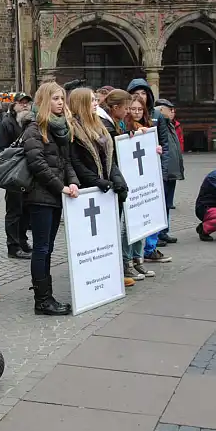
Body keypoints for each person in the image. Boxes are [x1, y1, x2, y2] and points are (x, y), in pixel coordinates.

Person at [23, 82, 79, 315]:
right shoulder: (34, 129)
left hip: (54, 198)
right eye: (55, 98)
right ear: (45, 100)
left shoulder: (59, 129)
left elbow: (65, 162)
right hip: (40, 198)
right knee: (42, 249)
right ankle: (42, 300)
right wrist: (61, 187)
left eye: (62, 99)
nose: (60, 103)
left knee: (48, 248)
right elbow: (38, 165)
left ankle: (47, 296)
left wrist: (73, 181)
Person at [68, 88, 133, 286]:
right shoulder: (72, 128)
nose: (96, 103)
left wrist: (117, 179)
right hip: (89, 189)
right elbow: (75, 162)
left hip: (107, 187)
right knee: (91, 239)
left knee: (109, 234)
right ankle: (91, 280)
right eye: (92, 101)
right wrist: (97, 181)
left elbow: (109, 156)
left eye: (96, 100)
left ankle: (113, 274)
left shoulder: (99, 124)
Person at [127, 78, 174, 263]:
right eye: (136, 94)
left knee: (153, 210)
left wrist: (162, 170)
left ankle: (150, 248)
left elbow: (164, 144)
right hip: (134, 173)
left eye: (144, 93)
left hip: (152, 172)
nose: (140, 97)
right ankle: (134, 253)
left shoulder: (156, 115)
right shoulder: (126, 118)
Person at [0, 91, 33, 259]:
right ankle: (13, 246)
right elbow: (0, 149)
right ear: (15, 104)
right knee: (14, 210)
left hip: (28, 173)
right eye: (21, 102)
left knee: (26, 209)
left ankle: (23, 240)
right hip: (13, 172)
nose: (24, 105)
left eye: (27, 102)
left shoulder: (30, 121)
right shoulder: (7, 123)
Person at [124, 95, 157, 279]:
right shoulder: (125, 128)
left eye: (140, 109)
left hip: (142, 181)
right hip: (129, 182)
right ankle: (127, 261)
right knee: (129, 225)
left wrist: (155, 150)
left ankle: (138, 260)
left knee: (142, 223)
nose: (136, 113)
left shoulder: (148, 129)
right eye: (133, 109)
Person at [154, 98, 184, 243]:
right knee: (159, 204)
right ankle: (157, 233)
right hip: (164, 171)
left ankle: (164, 231)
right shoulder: (160, 125)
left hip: (172, 171)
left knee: (167, 204)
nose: (173, 112)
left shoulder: (171, 125)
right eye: (169, 109)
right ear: (160, 110)